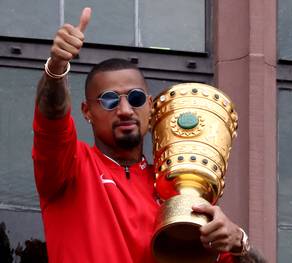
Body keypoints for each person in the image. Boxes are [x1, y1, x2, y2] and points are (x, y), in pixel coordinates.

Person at [33, 7, 264, 263]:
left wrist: (238, 241)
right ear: (87, 111)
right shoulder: (70, 167)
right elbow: (51, 113)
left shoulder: (176, 189)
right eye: (109, 100)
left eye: (135, 98)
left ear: (150, 107)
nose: (124, 110)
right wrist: (56, 68)